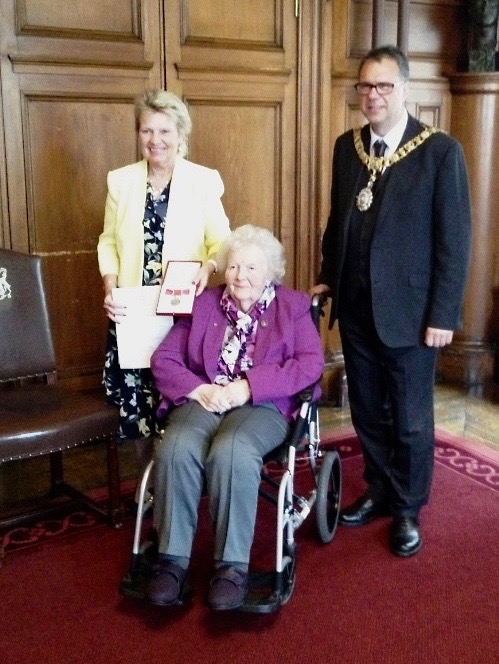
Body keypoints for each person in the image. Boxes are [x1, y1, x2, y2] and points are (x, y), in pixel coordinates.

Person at [311, 45, 472, 557]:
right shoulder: (347, 147)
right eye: (365, 86)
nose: (373, 96)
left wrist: (444, 314)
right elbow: (340, 223)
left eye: (383, 86)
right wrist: (326, 278)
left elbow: (454, 239)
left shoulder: (440, 152)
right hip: (356, 308)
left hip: (411, 315)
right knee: (367, 410)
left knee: (410, 417)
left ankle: (407, 507)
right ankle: (379, 490)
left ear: (404, 89)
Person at [147, 224, 324, 610]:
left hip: (262, 406)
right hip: (207, 399)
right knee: (176, 445)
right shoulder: (204, 304)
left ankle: (231, 567)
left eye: (251, 268)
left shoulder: (291, 308)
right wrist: (200, 389)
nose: (239, 276)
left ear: (271, 274)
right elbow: (164, 359)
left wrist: (248, 386)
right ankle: (172, 560)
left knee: (232, 449)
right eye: (233, 267)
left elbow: (310, 364)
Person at [97, 90, 230, 496]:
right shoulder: (120, 181)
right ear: (138, 133)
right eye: (147, 130)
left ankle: (182, 480)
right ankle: (147, 485)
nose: (155, 140)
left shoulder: (204, 180)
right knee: (136, 404)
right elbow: (108, 242)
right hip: (134, 313)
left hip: (183, 314)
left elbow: (222, 242)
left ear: (180, 133)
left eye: (164, 131)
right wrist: (110, 283)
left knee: (178, 398)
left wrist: (208, 269)